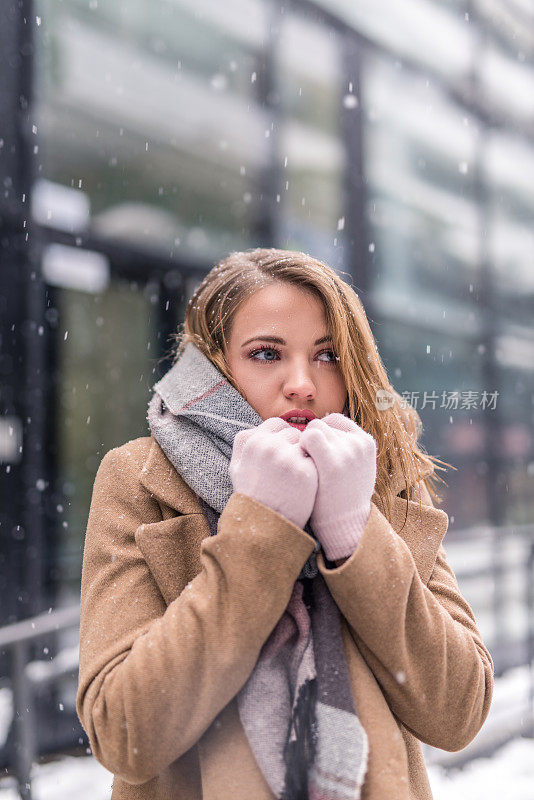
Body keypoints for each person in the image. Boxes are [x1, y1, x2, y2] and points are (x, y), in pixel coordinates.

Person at [76, 247, 493, 800]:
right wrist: (263, 529)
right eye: (266, 353)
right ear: (216, 366)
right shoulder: (140, 478)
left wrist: (353, 534)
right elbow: (124, 734)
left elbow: (457, 712)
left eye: (327, 356)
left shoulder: (379, 477)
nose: (302, 383)